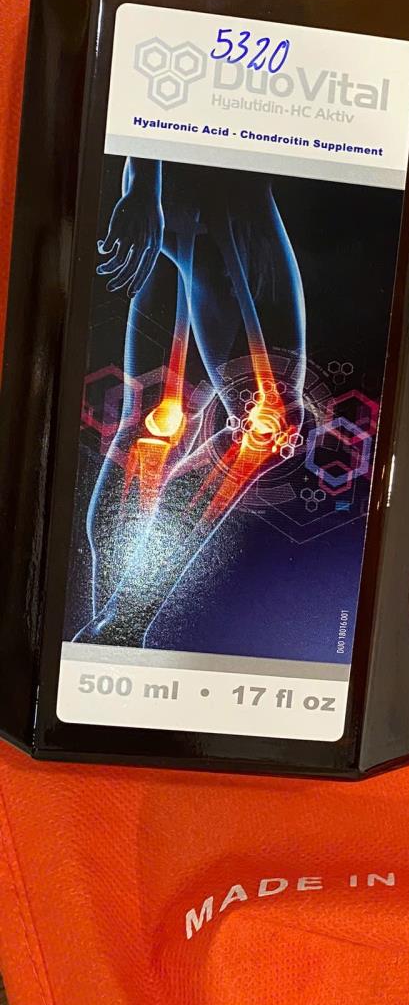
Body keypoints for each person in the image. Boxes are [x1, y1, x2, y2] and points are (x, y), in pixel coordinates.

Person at [76, 157, 305, 646]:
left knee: (158, 421)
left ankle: (111, 639)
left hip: (184, 202)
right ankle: (118, 631)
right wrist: (144, 185)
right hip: (219, 205)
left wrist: (144, 184)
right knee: (267, 421)